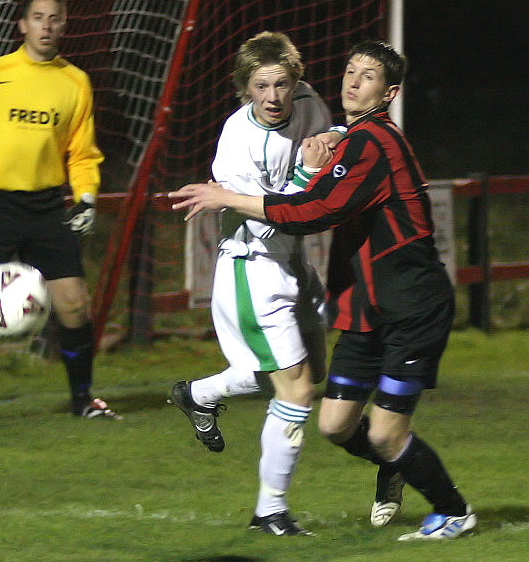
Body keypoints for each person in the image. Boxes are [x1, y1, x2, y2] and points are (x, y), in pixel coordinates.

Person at [168, 40, 476, 541]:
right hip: (325, 289)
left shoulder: (370, 141)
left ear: (389, 91)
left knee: (358, 418)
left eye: (367, 76)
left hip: (408, 303)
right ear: (243, 89)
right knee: (330, 420)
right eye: (350, 72)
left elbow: (313, 212)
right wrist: (302, 165)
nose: (353, 82)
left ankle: (451, 508)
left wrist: (299, 166)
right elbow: (288, 214)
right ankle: (372, 467)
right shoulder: (241, 141)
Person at [169, 31, 344, 536]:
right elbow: (271, 217)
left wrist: (331, 140)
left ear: (297, 82)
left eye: (282, 84)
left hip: (294, 264)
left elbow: (327, 134)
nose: (273, 97)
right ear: (244, 88)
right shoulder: (236, 143)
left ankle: (198, 393)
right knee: (295, 392)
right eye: (261, 85)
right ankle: (270, 511)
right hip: (253, 264)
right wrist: (311, 173)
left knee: (310, 376)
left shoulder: (310, 103)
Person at [0, 0, 120, 424]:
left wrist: (87, 199)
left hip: (45, 206)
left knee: (74, 302)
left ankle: (83, 400)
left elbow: (82, 152)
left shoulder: (75, 82)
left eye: (55, 18)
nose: (46, 26)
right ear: (22, 24)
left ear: (64, 25)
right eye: (38, 17)